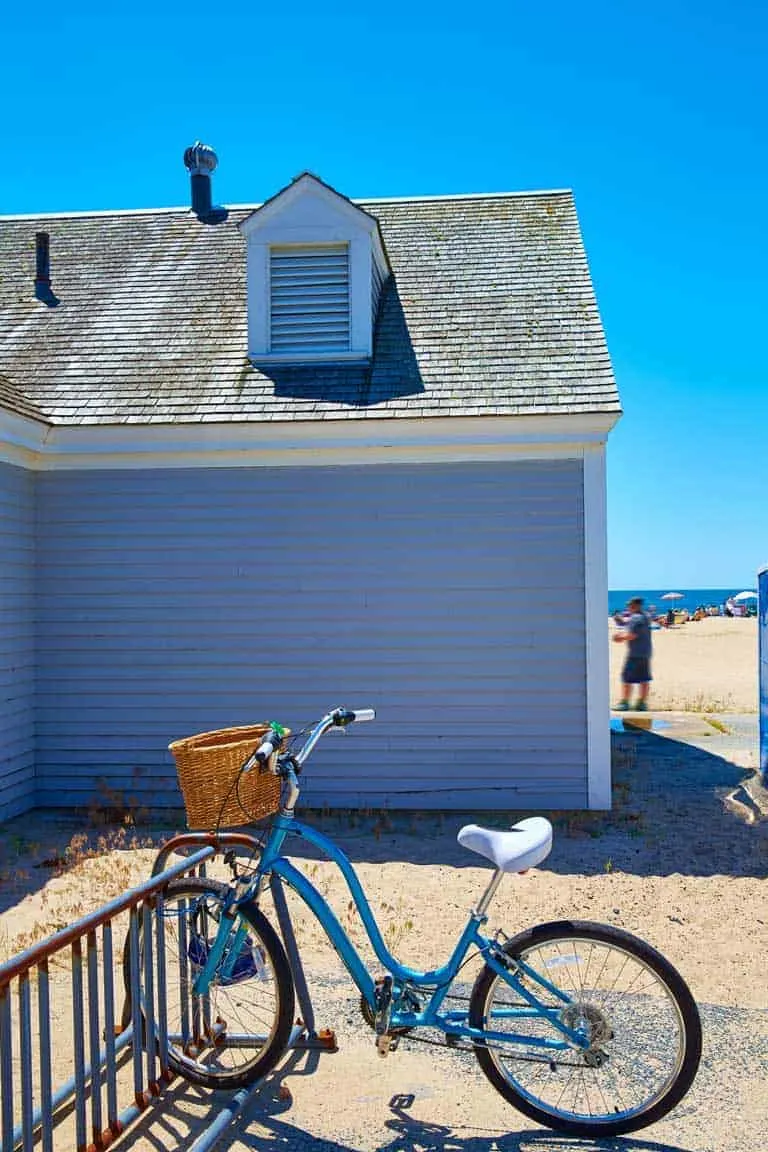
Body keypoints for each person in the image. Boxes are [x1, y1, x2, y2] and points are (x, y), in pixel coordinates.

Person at [613, 596, 652, 711]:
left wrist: (619, 638)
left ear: (634, 606)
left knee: (626, 677)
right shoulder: (645, 617)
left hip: (635, 653)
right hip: (646, 652)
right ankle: (642, 703)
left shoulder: (635, 618)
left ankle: (625, 702)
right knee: (644, 678)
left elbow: (632, 634)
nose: (628, 607)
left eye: (629, 605)